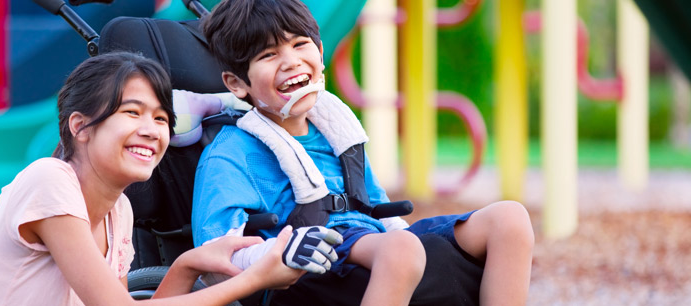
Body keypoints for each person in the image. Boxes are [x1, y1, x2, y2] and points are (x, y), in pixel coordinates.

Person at [190, 0, 535, 305]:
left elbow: (377, 209)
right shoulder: (232, 153)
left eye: (299, 44)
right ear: (236, 84)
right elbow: (216, 253)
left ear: (320, 51)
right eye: (269, 55)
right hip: (307, 266)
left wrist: (410, 245)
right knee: (402, 250)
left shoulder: (336, 131)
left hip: (373, 244)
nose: (291, 61)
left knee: (509, 219)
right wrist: (275, 253)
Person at [0, 52, 307, 306]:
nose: (151, 131)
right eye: (132, 112)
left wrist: (188, 264)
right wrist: (254, 279)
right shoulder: (48, 180)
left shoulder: (118, 210)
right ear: (80, 126)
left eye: (159, 118)